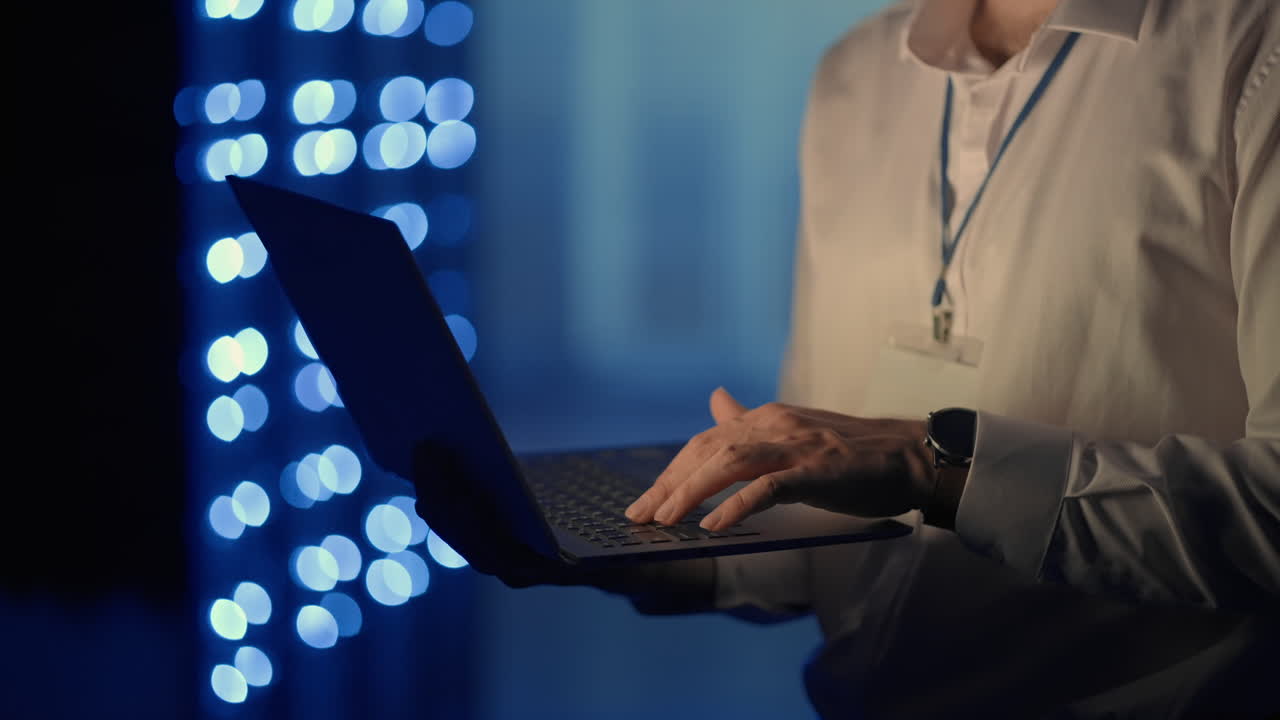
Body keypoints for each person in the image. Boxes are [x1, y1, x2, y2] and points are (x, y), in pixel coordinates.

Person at [414, 0, 1279, 716]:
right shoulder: (857, 73)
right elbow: (833, 524)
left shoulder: (1252, 48)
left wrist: (936, 465)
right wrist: (628, 544)